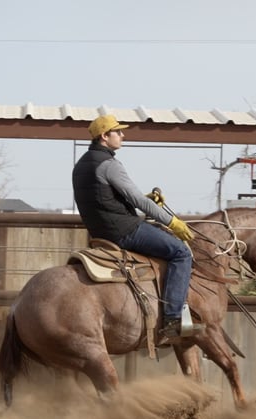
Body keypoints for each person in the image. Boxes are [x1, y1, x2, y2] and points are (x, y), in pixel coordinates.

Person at [72, 114, 195, 340]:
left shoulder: (81, 165)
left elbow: (105, 198)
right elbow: (138, 201)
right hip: (125, 231)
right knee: (181, 253)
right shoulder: (109, 164)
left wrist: (145, 198)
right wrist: (172, 222)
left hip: (100, 233)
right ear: (104, 136)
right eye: (117, 132)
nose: (122, 135)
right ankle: (173, 319)